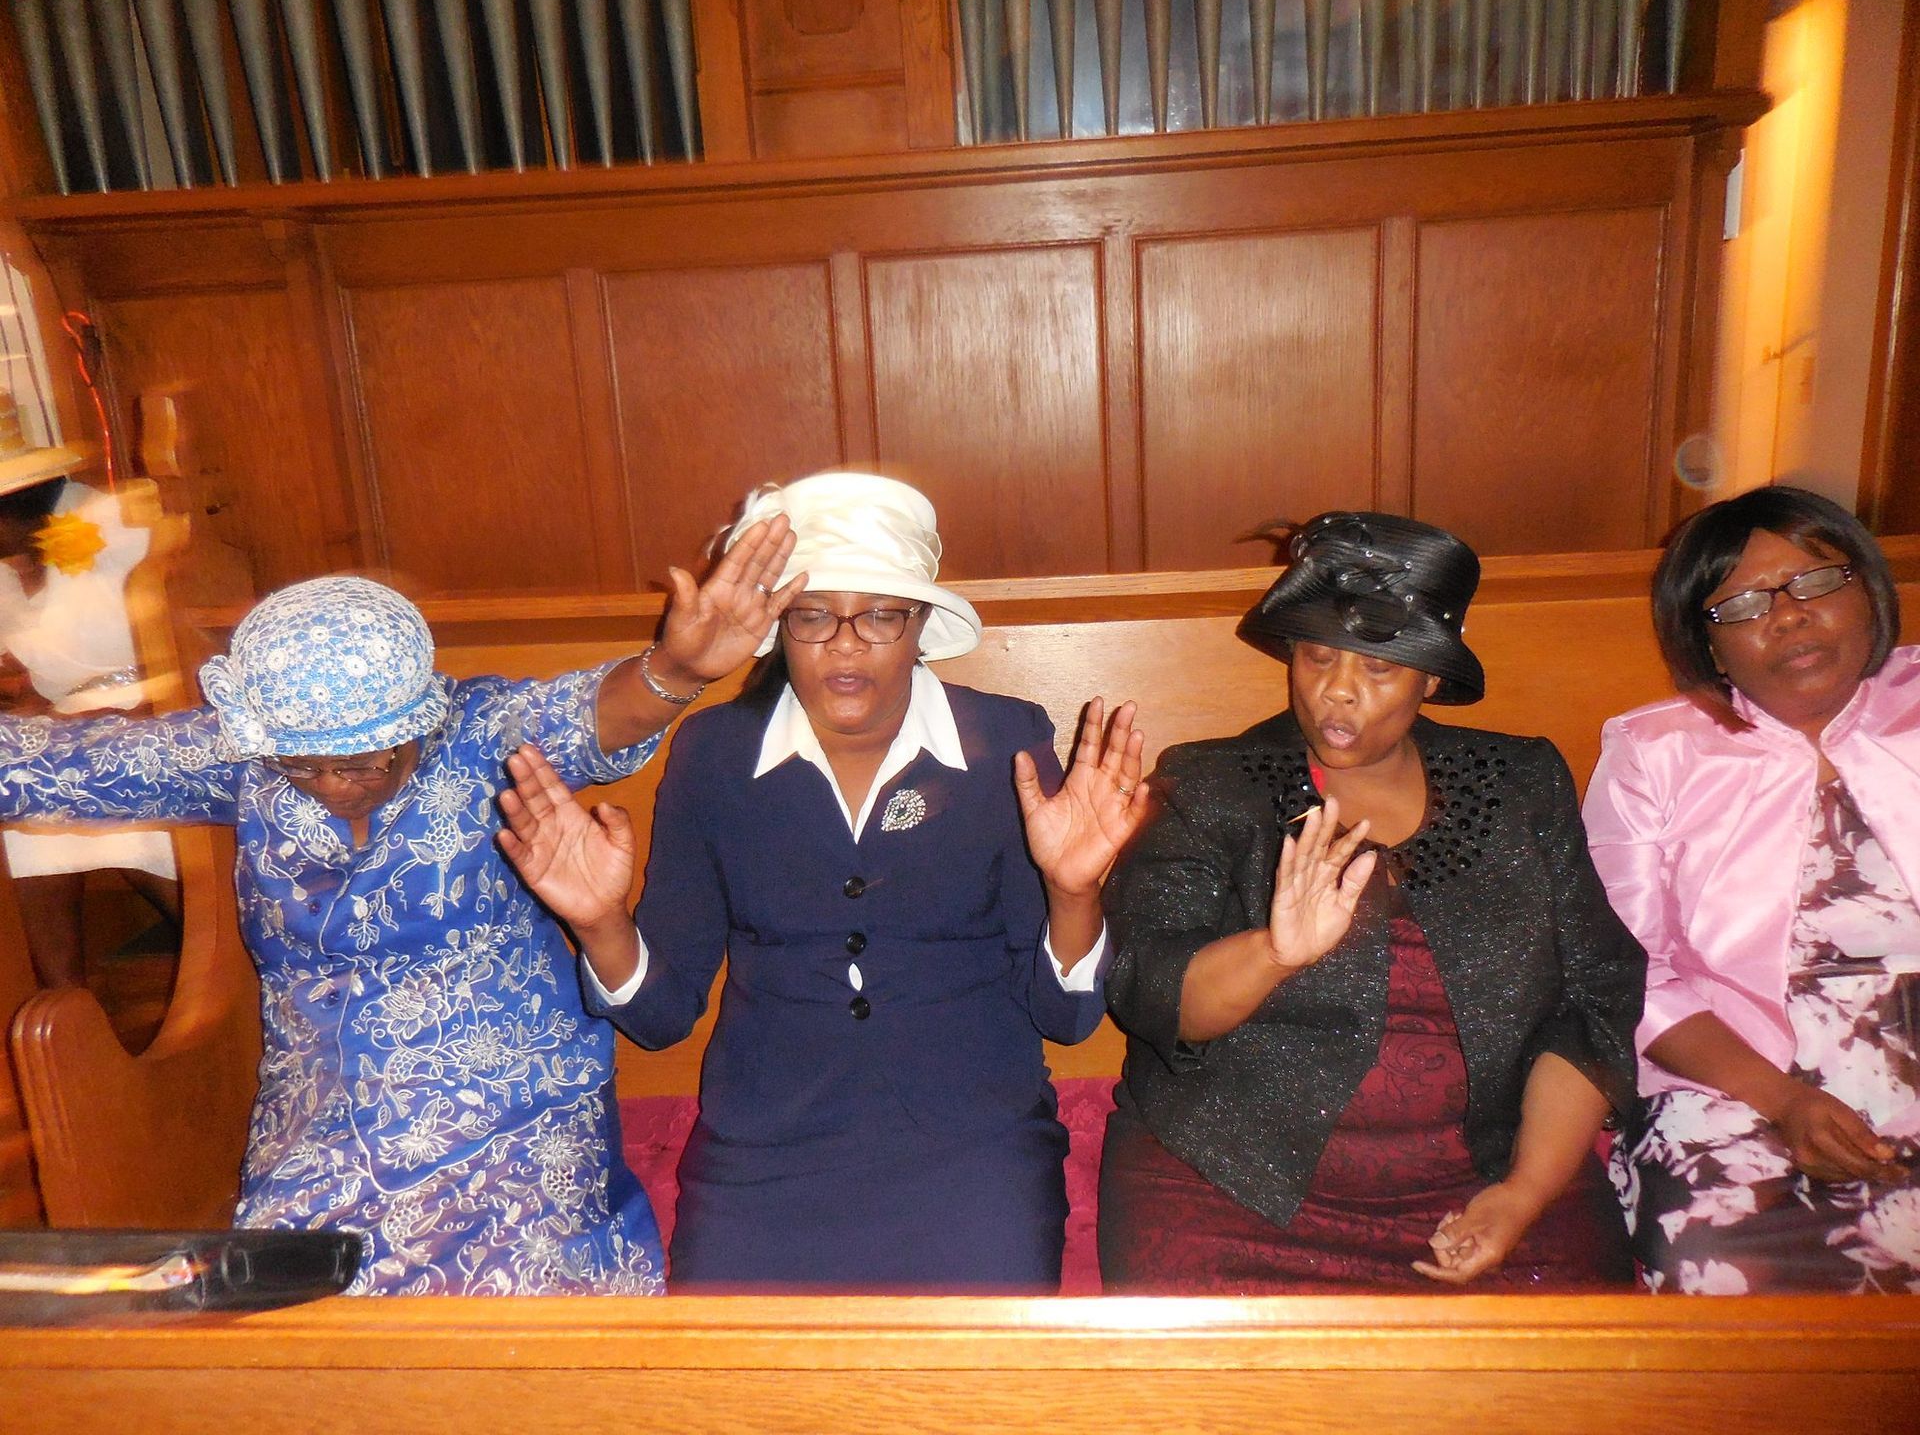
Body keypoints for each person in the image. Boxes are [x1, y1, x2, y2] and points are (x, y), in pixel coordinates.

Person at [0, 514, 803, 1295]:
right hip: (324, 1111)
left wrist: (678, 669)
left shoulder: (483, 733)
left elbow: (607, 708)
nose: (332, 782)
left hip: (510, 1098)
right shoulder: (247, 755)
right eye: (301, 764)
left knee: (515, 1311)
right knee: (296, 1304)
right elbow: (50, 766)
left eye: (363, 760)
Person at [498, 471, 1148, 1291]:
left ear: (920, 625)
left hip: (973, 1143)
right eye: (813, 615)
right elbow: (660, 1021)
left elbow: (1068, 1018)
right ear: (780, 627)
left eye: (880, 614)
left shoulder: (1005, 745)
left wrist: (1075, 892)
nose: (846, 644)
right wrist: (601, 924)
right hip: (765, 1149)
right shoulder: (716, 755)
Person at [1099, 511, 1643, 1292]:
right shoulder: (1213, 784)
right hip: (1234, 1183)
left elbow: (1592, 1001)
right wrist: (1273, 953)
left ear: (1432, 678)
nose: (1338, 692)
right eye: (1317, 656)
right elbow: (1152, 992)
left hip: (1488, 1177)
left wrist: (1524, 1193)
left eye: (1381, 668)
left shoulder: (1520, 784)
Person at [1585, 485, 1920, 1294]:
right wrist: (1784, 1102)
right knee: (1713, 1257)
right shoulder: (1654, 754)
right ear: (1709, 647)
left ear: (1868, 590)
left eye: (1814, 581)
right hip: (1739, 1091)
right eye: (1741, 605)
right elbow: (1623, 969)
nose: (1789, 616)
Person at [0, 418, 177, 989]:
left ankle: (230, 961)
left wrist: (143, 706)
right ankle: (68, 1010)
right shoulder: (6, 563)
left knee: (120, 806)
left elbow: (185, 633)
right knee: (22, 822)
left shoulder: (118, 524)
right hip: (60, 733)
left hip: (154, 709)